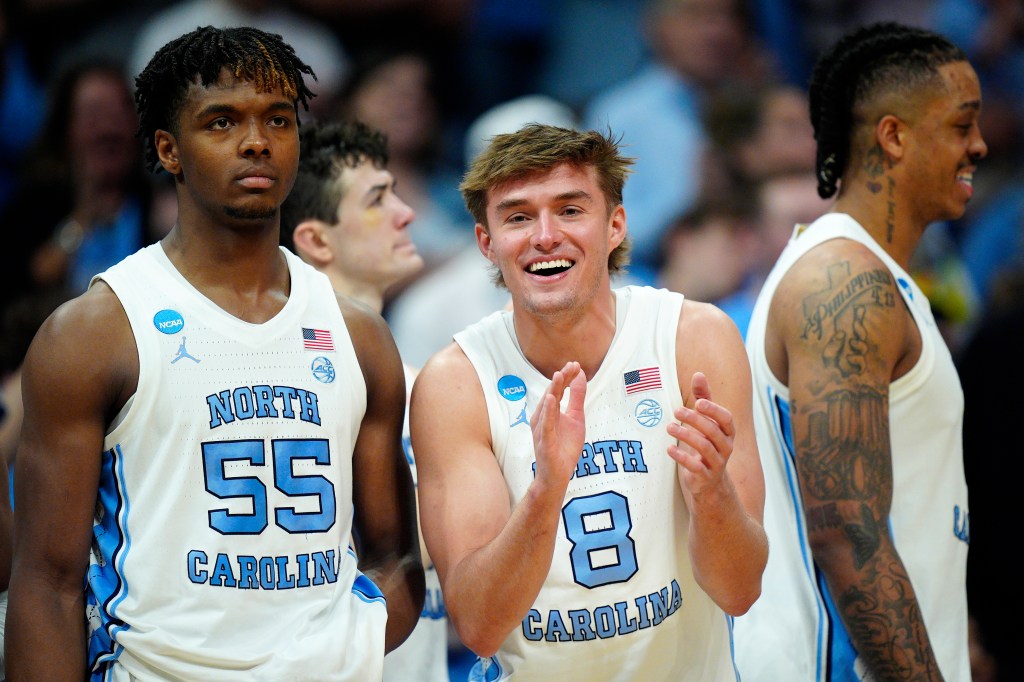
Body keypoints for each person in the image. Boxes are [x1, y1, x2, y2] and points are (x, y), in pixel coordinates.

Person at [5, 26, 424, 679]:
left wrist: (348, 644)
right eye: (222, 122)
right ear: (169, 150)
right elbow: (45, 584)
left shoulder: (360, 337)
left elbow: (394, 556)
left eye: (277, 119)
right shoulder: (95, 332)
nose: (255, 141)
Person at [410, 123, 768, 679]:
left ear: (615, 226)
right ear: (486, 241)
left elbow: (740, 591)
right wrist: (545, 490)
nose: (545, 236)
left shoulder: (692, 339)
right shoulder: (455, 384)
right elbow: (479, 625)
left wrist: (713, 493)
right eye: (518, 216)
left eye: (571, 210)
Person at [732, 21, 986, 680]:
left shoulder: (875, 276)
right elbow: (847, 531)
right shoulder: (842, 280)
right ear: (894, 135)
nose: (980, 146)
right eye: (962, 126)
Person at [279, 118, 449, 682]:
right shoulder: (284, 392)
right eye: (378, 199)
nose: (407, 214)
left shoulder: (428, 380)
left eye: (397, 193)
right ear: (317, 240)